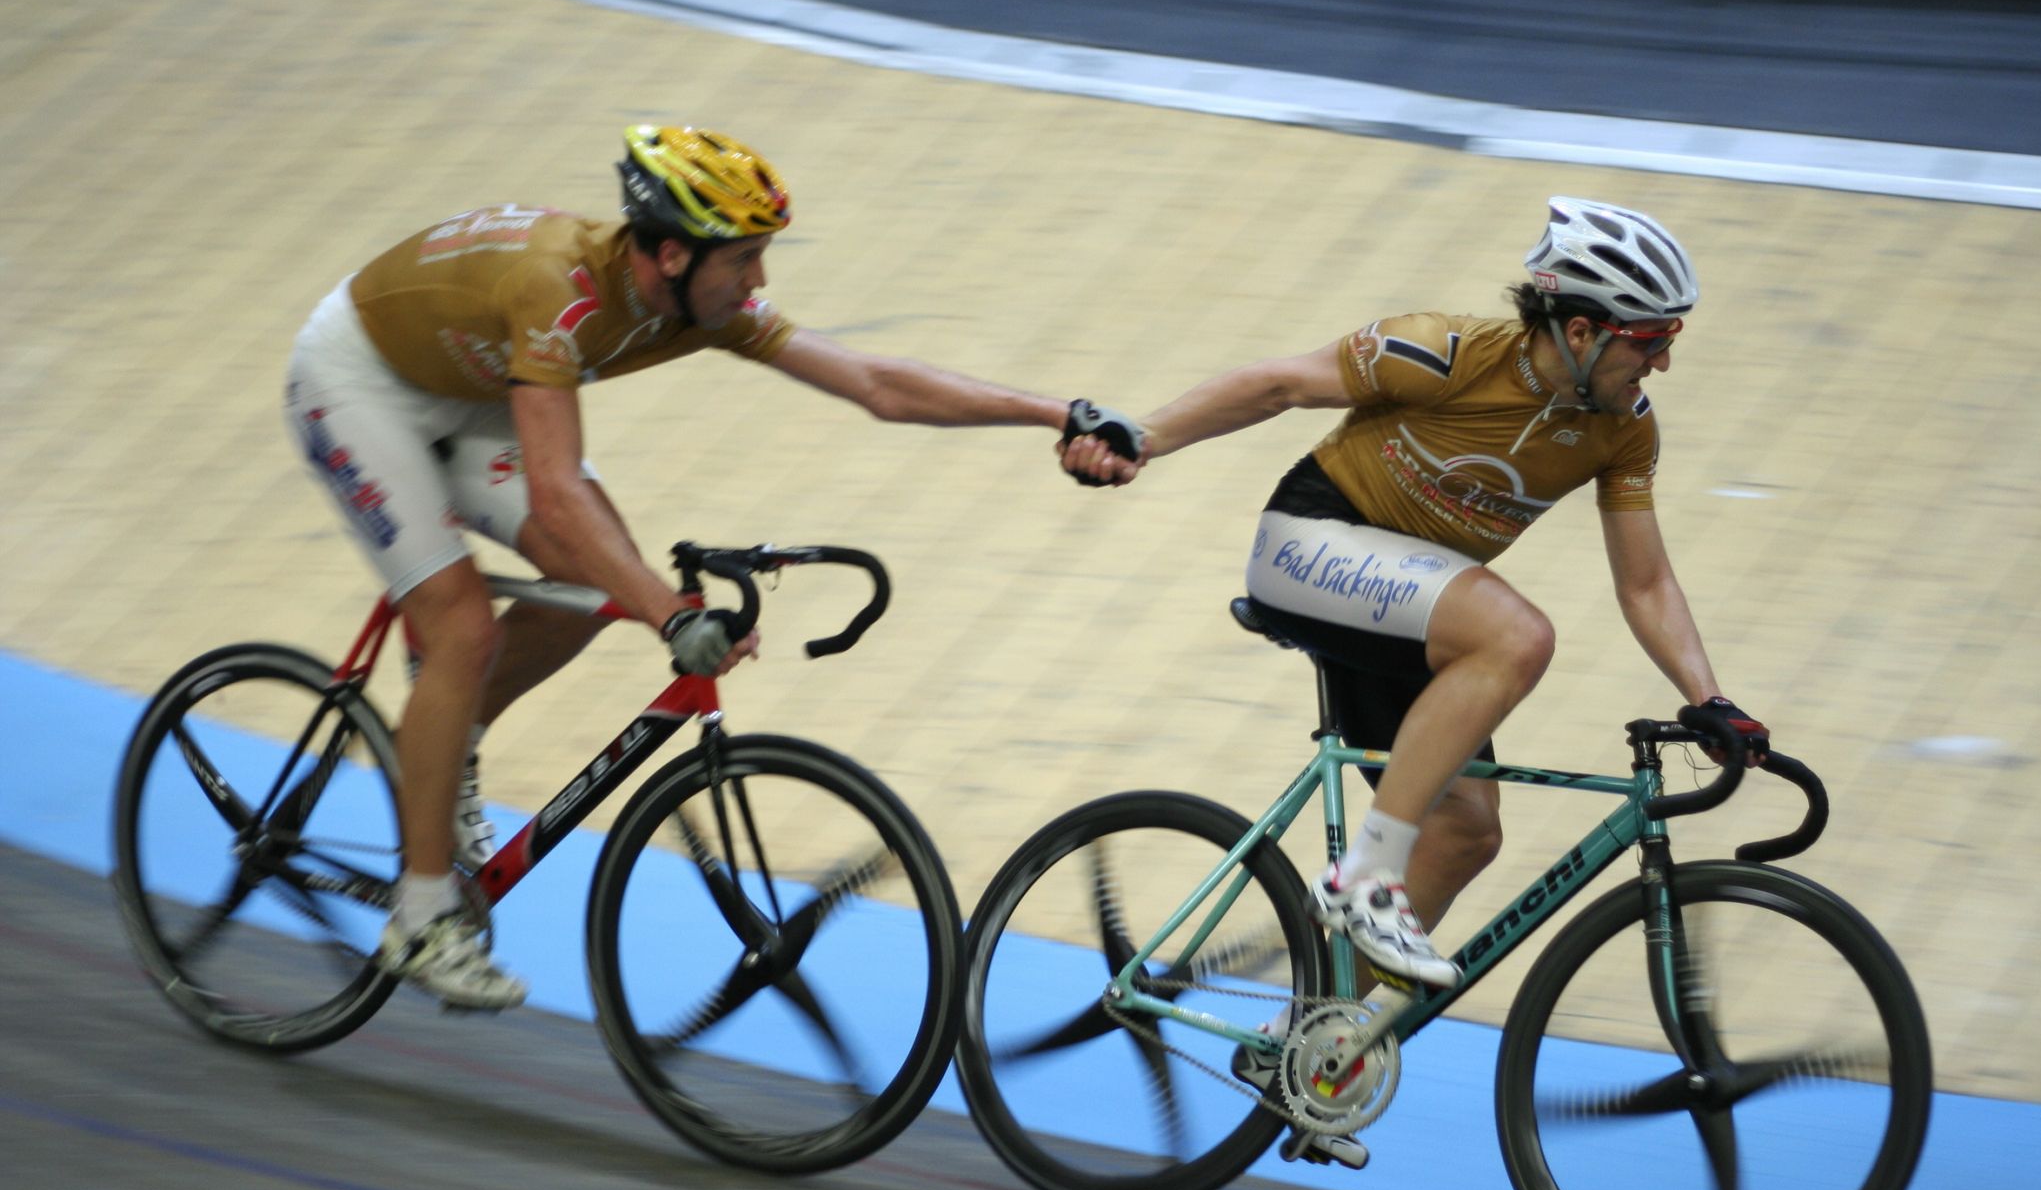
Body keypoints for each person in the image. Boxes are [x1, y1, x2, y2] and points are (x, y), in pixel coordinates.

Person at [286, 124, 1141, 1010]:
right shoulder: (559, 293)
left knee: (587, 591)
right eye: (744, 259)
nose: (759, 280)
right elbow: (554, 495)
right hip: (360, 385)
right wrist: (666, 614)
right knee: (461, 629)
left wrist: (1054, 412)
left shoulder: (699, 300)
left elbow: (874, 383)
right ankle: (419, 919)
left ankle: (448, 740)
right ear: (668, 256)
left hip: (467, 389)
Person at [1061, 195, 1765, 1000]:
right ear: (1581, 331)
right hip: (1312, 545)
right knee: (1518, 637)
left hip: (1417, 612)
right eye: (1650, 343)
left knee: (1467, 833)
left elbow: (1645, 582)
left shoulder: (1623, 429)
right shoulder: (1442, 350)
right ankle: (1365, 878)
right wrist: (1144, 436)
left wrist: (1709, 698)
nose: (1662, 365)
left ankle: (1309, 1050)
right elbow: (1278, 385)